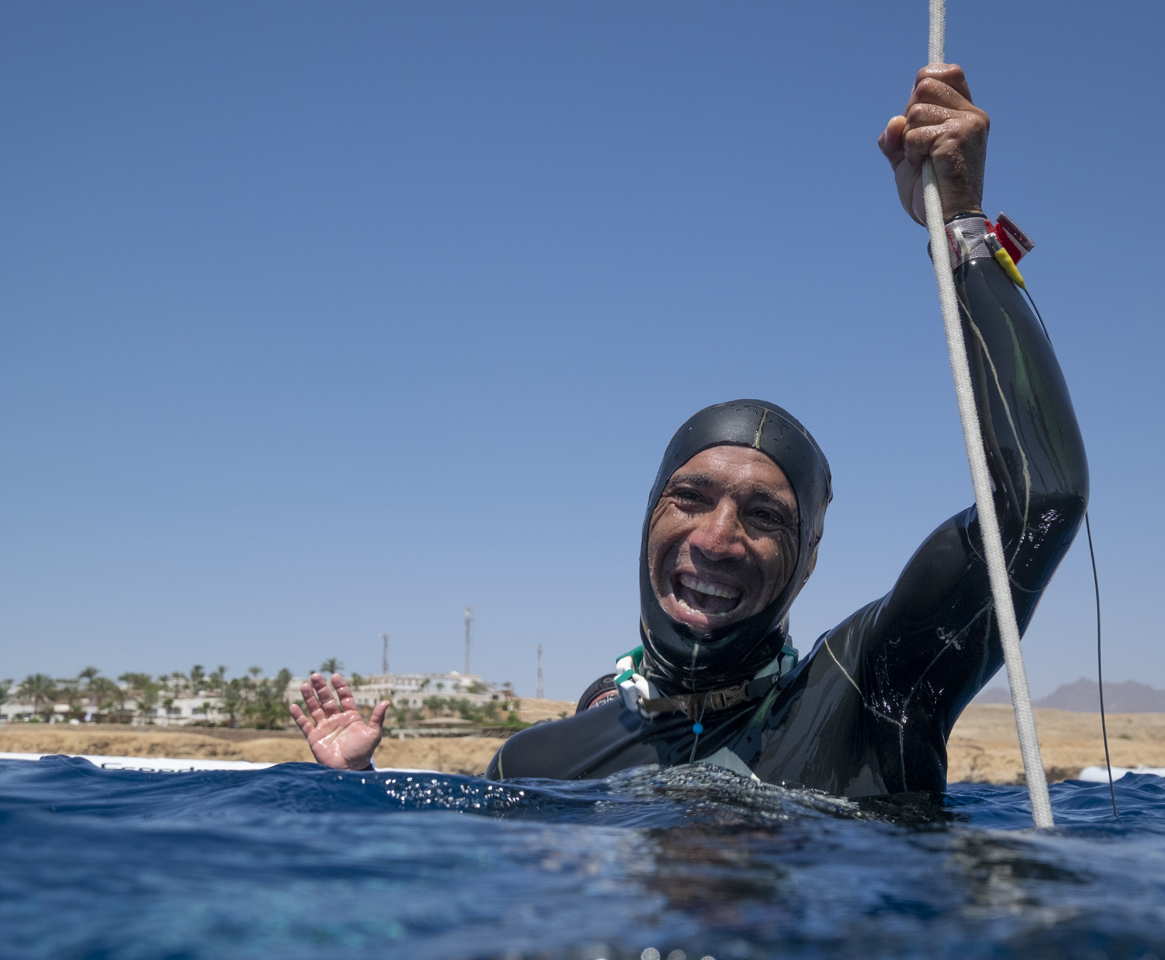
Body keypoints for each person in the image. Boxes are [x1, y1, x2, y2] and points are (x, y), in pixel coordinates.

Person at [291, 62, 1088, 798]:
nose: (717, 537)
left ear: (809, 557)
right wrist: (355, 792)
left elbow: (1037, 500)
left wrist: (965, 232)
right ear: (646, 519)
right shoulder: (536, 764)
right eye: (691, 498)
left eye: (766, 514)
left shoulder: (869, 692)